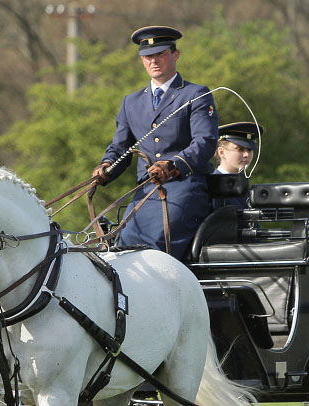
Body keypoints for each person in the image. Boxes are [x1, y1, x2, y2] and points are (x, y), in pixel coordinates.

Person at [92, 25, 218, 260]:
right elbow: (121, 148)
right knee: (123, 243)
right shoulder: (130, 102)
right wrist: (106, 167)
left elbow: (206, 141)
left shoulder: (195, 94)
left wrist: (173, 165)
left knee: (156, 243)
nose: (154, 61)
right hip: (146, 189)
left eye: (160, 54)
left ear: (175, 55)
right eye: (148, 56)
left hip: (185, 186)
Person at [211, 121, 263, 211]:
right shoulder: (213, 186)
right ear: (221, 152)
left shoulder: (244, 187)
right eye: (240, 149)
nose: (246, 154)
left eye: (250, 150)